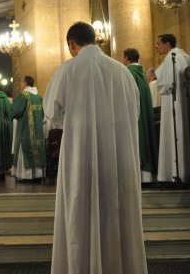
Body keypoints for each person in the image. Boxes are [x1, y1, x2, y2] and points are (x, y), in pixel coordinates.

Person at [44, 22, 147, 274]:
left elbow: (51, 112)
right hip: (118, 156)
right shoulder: (123, 73)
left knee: (81, 211)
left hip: (82, 157)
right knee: (116, 211)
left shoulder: (68, 69)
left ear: (71, 44)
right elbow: (134, 113)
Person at [154, 33, 190, 182]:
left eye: (158, 43)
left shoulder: (171, 58)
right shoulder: (182, 55)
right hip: (181, 103)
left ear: (167, 44)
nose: (156, 47)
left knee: (172, 136)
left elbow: (164, 85)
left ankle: (173, 173)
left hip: (172, 104)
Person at [123, 48, 158, 183]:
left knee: (138, 142)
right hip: (145, 114)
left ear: (126, 58)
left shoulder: (129, 73)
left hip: (135, 117)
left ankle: (138, 178)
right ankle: (146, 178)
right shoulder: (142, 73)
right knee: (145, 141)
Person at [11, 76, 46, 181]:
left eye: (22, 82)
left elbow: (16, 110)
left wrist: (12, 114)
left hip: (26, 129)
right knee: (37, 149)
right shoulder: (39, 97)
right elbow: (43, 113)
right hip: (38, 130)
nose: (21, 84)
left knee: (26, 148)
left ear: (25, 83)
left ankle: (26, 176)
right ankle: (37, 176)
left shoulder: (24, 95)